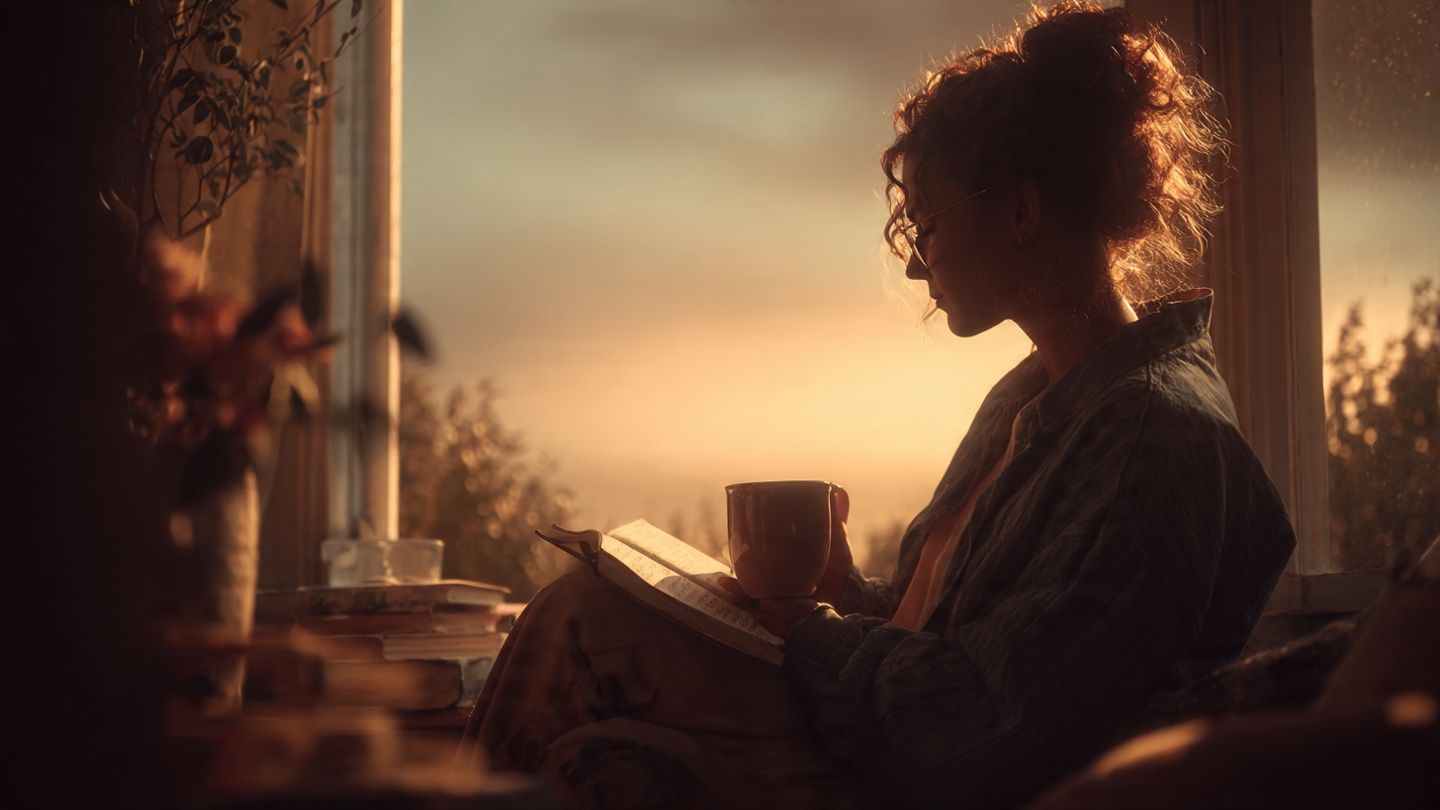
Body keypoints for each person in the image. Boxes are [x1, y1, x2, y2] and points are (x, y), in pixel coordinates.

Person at [462, 3, 1296, 808]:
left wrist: (809, 624)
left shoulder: (1150, 437)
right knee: (587, 660)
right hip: (888, 738)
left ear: (1019, 210)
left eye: (923, 225)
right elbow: (951, 640)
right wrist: (847, 595)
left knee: (583, 618)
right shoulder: (1034, 395)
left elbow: (985, 738)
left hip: (926, 779)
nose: (912, 266)